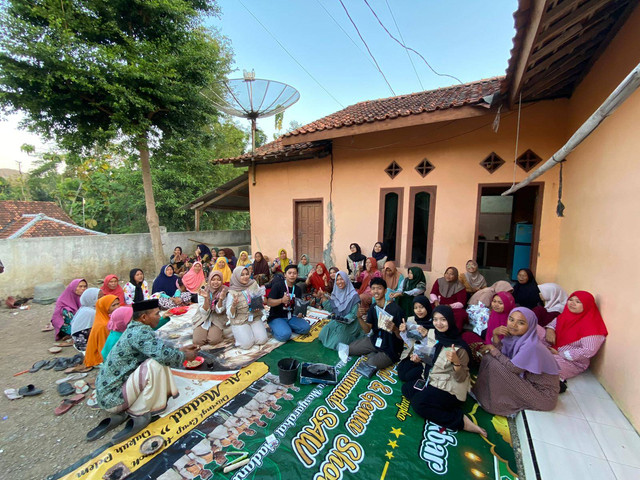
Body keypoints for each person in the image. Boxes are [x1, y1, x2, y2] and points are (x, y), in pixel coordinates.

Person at [96, 299, 199, 438]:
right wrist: (184, 356)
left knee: (158, 359)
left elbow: (156, 348)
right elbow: (162, 356)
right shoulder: (140, 333)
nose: (159, 316)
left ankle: (129, 408)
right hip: (113, 399)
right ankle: (140, 411)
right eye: (156, 314)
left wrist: (180, 350)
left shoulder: (135, 328)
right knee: (156, 364)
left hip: (108, 395)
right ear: (144, 317)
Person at [401, 305, 486, 437]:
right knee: (407, 389)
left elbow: (461, 378)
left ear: (450, 321)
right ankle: (438, 403)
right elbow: (433, 359)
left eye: (443, 320)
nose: (438, 323)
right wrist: (420, 359)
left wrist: (456, 362)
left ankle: (460, 421)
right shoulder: (436, 335)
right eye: (435, 319)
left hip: (451, 389)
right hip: (434, 378)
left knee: (418, 404)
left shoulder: (459, 348)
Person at [473, 307, 559, 416]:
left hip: (543, 396)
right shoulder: (517, 337)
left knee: (494, 364)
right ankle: (484, 394)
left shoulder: (531, 345)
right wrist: (495, 334)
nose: (513, 325)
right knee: (489, 358)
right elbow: (501, 351)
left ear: (530, 325)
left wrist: (493, 350)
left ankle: (494, 404)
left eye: (521, 323)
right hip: (529, 382)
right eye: (511, 319)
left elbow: (514, 368)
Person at [541, 291, 608, 382]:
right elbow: (553, 323)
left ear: (587, 305)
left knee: (544, 366)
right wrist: (550, 329)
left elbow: (588, 350)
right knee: (533, 330)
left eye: (578, 302)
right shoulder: (566, 315)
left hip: (572, 361)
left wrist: (559, 353)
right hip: (553, 347)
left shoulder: (592, 326)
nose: (572, 303)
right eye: (570, 300)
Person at [348, 277, 405, 369]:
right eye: (373, 288)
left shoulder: (396, 310)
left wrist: (394, 329)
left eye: (379, 288)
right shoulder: (373, 307)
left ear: (385, 291)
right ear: (370, 291)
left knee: (369, 364)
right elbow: (367, 330)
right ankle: (374, 353)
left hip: (391, 347)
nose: (376, 291)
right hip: (376, 340)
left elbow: (403, 337)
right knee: (350, 349)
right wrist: (359, 318)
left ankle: (374, 356)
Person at [463, 292, 516, 362]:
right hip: (491, 342)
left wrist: (492, 347)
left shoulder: (513, 319)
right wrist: (488, 343)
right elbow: (489, 332)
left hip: (502, 353)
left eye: (500, 303)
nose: (496, 305)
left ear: (508, 304)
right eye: (494, 301)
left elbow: (508, 344)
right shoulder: (494, 313)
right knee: (466, 335)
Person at [226, 266, 268, 350]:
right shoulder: (232, 291)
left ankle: (249, 331)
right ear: (236, 276)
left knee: (262, 339)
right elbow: (229, 314)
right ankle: (239, 332)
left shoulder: (253, 284)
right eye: (242, 275)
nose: (245, 277)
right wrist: (234, 305)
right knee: (246, 345)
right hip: (240, 320)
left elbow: (262, 298)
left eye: (247, 274)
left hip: (254, 316)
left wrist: (259, 303)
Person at [318, 271, 362, 349]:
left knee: (336, 342)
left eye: (342, 279)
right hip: (338, 320)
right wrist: (323, 298)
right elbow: (332, 308)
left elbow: (353, 314)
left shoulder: (354, 296)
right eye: (337, 280)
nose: (339, 282)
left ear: (346, 280)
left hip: (350, 323)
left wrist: (342, 320)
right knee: (323, 334)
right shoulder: (336, 292)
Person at [266, 264, 310, 342]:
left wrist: (300, 313)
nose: (292, 275)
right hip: (277, 317)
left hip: (291, 316)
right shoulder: (278, 286)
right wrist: (281, 300)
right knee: (285, 336)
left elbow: (298, 304)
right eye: (289, 273)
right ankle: (273, 329)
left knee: (306, 328)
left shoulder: (298, 289)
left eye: (294, 273)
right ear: (285, 275)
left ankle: (285, 327)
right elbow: (269, 302)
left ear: (297, 275)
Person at [397, 296, 433, 382]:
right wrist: (404, 331)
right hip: (414, 354)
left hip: (427, 359)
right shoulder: (412, 321)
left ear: (427, 307)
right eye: (416, 308)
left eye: (421, 307)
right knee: (401, 372)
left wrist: (428, 335)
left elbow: (434, 349)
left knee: (409, 376)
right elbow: (411, 343)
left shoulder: (434, 324)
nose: (419, 310)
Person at [193, 271, 228, 347]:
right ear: (209, 280)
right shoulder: (203, 290)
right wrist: (206, 298)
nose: (216, 282)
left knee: (213, 340)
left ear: (221, 281)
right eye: (213, 279)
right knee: (197, 341)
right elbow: (204, 312)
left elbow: (219, 311)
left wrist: (221, 299)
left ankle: (215, 332)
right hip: (203, 317)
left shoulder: (224, 291)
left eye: (218, 280)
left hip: (217, 317)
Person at [85, 295, 121, 367]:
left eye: (118, 304)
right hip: (98, 358)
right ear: (105, 307)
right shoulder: (104, 325)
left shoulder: (105, 318)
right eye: (113, 305)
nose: (117, 307)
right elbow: (103, 347)